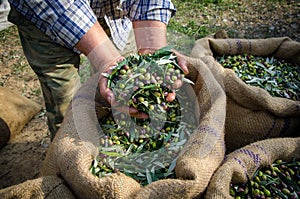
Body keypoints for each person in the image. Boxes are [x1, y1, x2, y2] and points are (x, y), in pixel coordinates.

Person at [7, 0, 188, 140]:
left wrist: (153, 47)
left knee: (118, 97)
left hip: (115, 14)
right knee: (66, 104)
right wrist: (106, 59)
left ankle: (114, 145)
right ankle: (70, 157)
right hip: (44, 18)